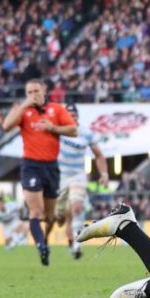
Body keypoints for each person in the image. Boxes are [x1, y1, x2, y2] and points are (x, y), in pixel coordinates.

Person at [0, 79, 77, 266]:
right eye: (29, 92)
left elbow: (73, 130)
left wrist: (53, 128)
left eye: (36, 90)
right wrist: (24, 105)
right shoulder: (23, 111)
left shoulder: (57, 109)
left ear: (44, 91)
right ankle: (41, 246)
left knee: (49, 216)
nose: (33, 94)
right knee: (36, 211)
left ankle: (45, 239)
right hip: (30, 165)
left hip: (51, 167)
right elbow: (6, 126)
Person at [45, 104, 108, 259]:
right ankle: (44, 240)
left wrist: (104, 174)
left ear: (78, 117)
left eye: (74, 115)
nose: (71, 118)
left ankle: (76, 245)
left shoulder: (86, 133)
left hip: (78, 176)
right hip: (59, 177)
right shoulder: (57, 130)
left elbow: (99, 155)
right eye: (69, 115)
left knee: (77, 208)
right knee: (57, 217)